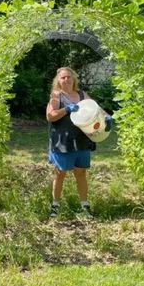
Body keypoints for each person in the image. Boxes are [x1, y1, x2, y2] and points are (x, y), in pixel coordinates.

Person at [46, 66, 112, 219]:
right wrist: (66, 110)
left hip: (81, 141)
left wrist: (106, 118)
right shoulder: (57, 96)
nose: (66, 80)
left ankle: (85, 206)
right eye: (63, 77)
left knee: (81, 173)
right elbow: (50, 116)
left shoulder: (82, 95)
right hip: (63, 142)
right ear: (58, 80)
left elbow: (97, 109)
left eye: (69, 77)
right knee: (60, 174)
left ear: (74, 79)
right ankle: (55, 206)